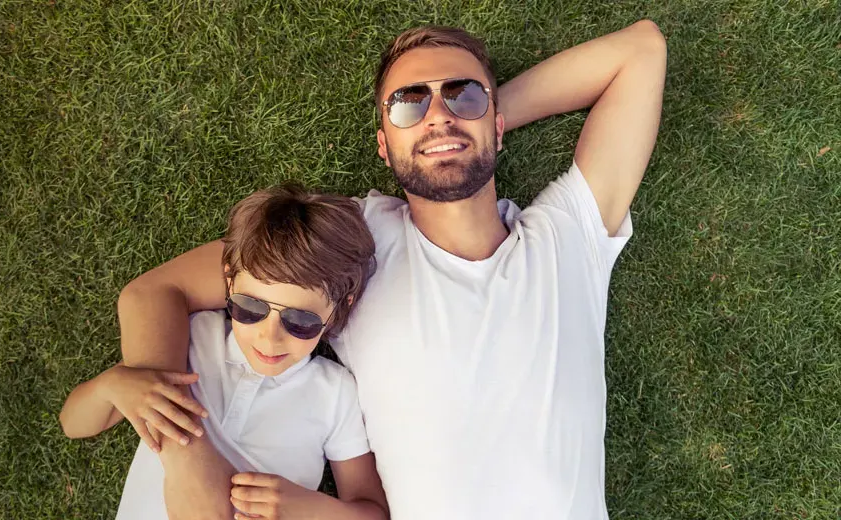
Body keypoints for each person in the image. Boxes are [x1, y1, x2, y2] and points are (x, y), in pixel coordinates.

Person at [102, 21, 667, 519]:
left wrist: (463, 127)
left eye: (463, 94)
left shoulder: (568, 238)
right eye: (408, 104)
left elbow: (640, 51)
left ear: (498, 124)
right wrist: (184, 455)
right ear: (381, 144)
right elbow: (158, 291)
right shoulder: (355, 243)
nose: (438, 113)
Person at [60, 183, 389, 520]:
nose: (269, 336)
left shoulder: (334, 394)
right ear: (230, 283)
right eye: (250, 308)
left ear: (340, 307)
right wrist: (111, 385)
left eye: (300, 320)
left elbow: (372, 511)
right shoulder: (191, 340)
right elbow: (73, 424)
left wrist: (308, 508)